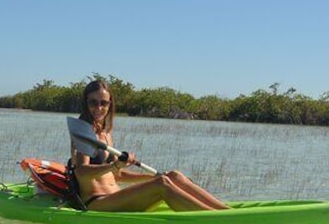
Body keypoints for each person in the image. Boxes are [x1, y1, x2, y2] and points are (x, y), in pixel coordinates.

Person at [70, 80, 230, 212]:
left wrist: (153, 176)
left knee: (173, 176)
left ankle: (225, 211)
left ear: (109, 105)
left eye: (103, 103)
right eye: (93, 102)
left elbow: (116, 176)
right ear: (86, 103)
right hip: (97, 202)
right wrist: (114, 165)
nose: (98, 108)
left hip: (115, 196)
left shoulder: (106, 134)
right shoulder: (82, 133)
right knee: (162, 185)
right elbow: (81, 173)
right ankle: (213, 218)